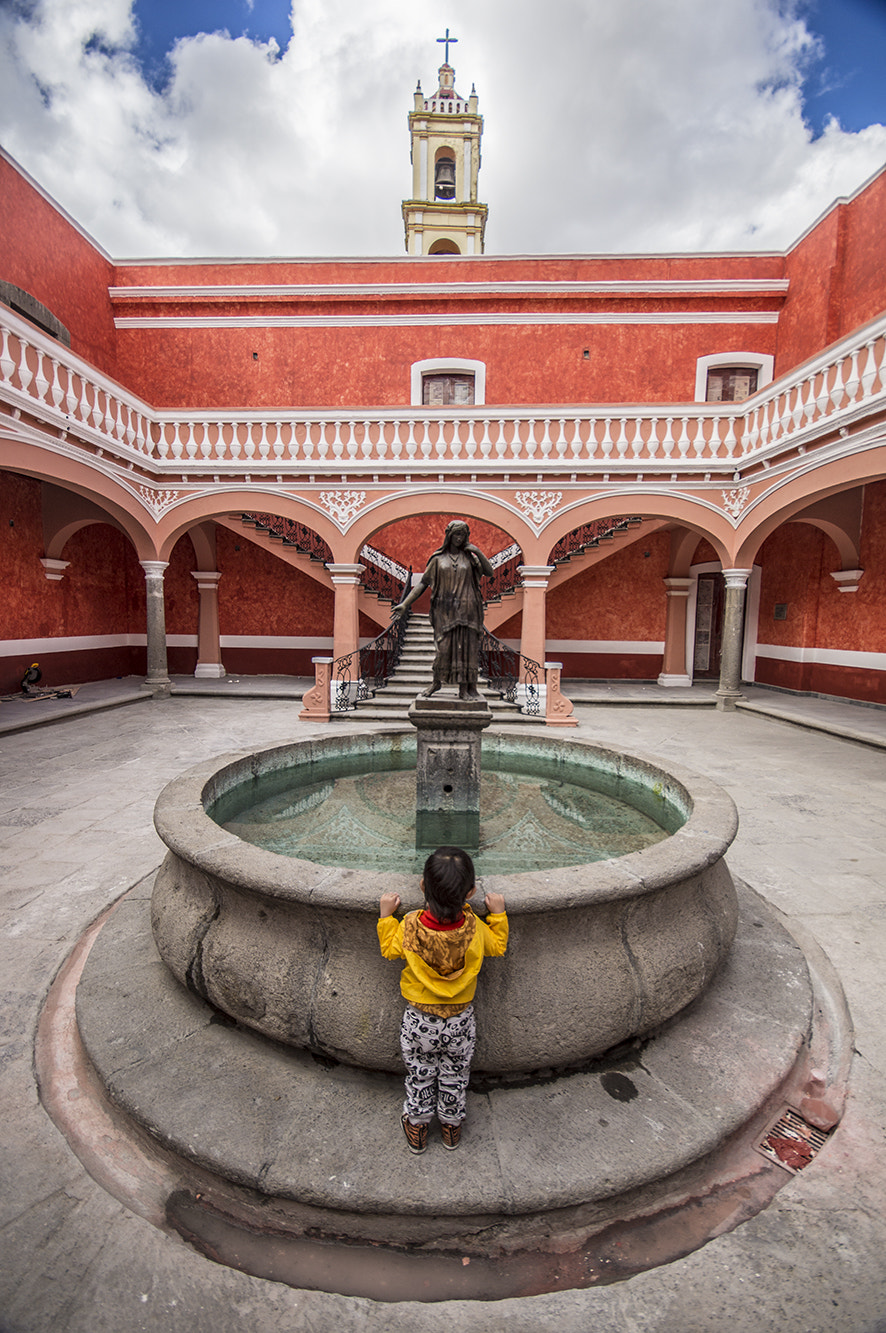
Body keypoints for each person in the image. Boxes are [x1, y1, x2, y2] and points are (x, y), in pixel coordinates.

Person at [377, 846, 508, 1153]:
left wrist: (385, 916)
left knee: (421, 1073)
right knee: (455, 1073)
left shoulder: (409, 926)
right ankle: (451, 1126)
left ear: (423, 886)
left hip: (420, 1020)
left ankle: (418, 1127)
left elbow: (389, 950)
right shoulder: (475, 928)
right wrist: (499, 914)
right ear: (472, 891)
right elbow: (498, 946)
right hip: (461, 1019)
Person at [390, 520, 494, 702]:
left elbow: (489, 572)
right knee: (443, 650)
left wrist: (476, 550)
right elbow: (423, 583)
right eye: (456, 534)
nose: (459, 538)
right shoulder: (438, 559)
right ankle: (436, 682)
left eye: (462, 534)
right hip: (445, 612)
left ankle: (467, 688)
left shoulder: (470, 558)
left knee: (468, 651)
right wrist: (405, 604)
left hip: (469, 609)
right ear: (449, 535)